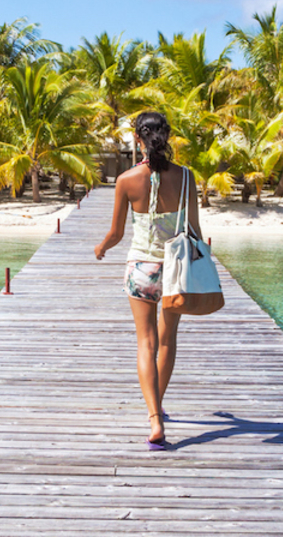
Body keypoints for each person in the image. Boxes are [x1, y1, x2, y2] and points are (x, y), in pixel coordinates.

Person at [94, 111, 202, 450]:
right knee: (167, 341)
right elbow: (195, 230)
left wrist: (100, 248)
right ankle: (158, 404)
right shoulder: (186, 177)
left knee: (146, 342)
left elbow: (116, 233)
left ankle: (155, 418)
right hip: (175, 270)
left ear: (138, 138)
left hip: (141, 268)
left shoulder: (126, 179)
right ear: (167, 136)